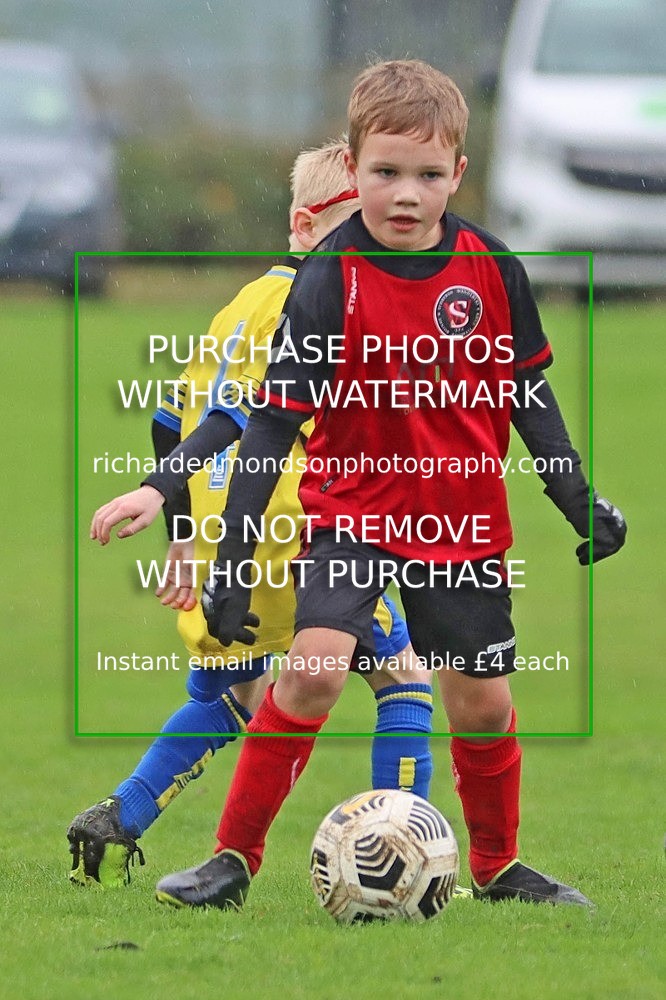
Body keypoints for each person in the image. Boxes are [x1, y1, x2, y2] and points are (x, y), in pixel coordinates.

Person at [155, 59, 626, 911]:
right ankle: (232, 859)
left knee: (480, 703)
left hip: (464, 524)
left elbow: (529, 393)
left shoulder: (490, 267)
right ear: (356, 163)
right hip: (355, 513)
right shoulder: (330, 278)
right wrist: (229, 565)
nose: (405, 195)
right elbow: (268, 426)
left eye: (428, 176)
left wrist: (575, 497)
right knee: (315, 671)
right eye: (384, 173)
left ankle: (498, 868)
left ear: (459, 175)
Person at [67, 139, 435, 890]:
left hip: (222, 543)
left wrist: (180, 536)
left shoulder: (234, 309)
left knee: (231, 697)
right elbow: (246, 423)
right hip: (296, 535)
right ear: (304, 225)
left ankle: (122, 816)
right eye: (346, 228)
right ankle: (409, 853)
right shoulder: (319, 302)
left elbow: (172, 421)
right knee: (404, 683)